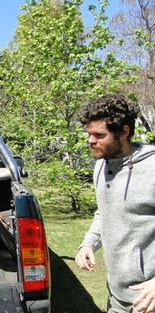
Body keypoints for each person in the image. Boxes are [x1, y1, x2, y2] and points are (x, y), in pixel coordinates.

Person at [75, 94, 155, 313]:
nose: (90, 140)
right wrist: (89, 243)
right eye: (89, 134)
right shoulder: (101, 165)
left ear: (124, 132)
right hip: (117, 294)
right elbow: (105, 211)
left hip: (149, 299)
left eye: (99, 135)